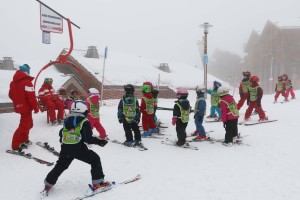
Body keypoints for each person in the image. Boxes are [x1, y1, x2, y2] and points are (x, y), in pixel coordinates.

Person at [40, 101, 109, 197]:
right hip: (78, 149)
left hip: (65, 148)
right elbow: (88, 139)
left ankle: (48, 184)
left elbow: (61, 133)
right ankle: (98, 183)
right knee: (95, 159)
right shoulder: (85, 121)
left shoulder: (67, 120)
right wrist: (99, 141)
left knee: (60, 166)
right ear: (84, 111)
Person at [8, 64, 40, 150]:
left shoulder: (13, 83)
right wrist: (36, 108)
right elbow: (32, 98)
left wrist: (18, 102)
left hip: (20, 107)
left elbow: (10, 95)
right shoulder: (27, 82)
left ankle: (24, 140)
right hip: (26, 108)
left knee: (28, 124)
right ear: (26, 72)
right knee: (24, 126)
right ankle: (16, 145)